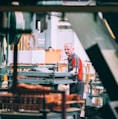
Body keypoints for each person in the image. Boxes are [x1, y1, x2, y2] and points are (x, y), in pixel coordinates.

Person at [64, 42, 84, 118]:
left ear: (72, 49)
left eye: (68, 49)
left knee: (77, 104)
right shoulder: (69, 58)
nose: (66, 51)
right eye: (65, 49)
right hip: (73, 83)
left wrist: (65, 76)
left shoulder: (75, 58)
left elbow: (75, 71)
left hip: (78, 84)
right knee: (72, 104)